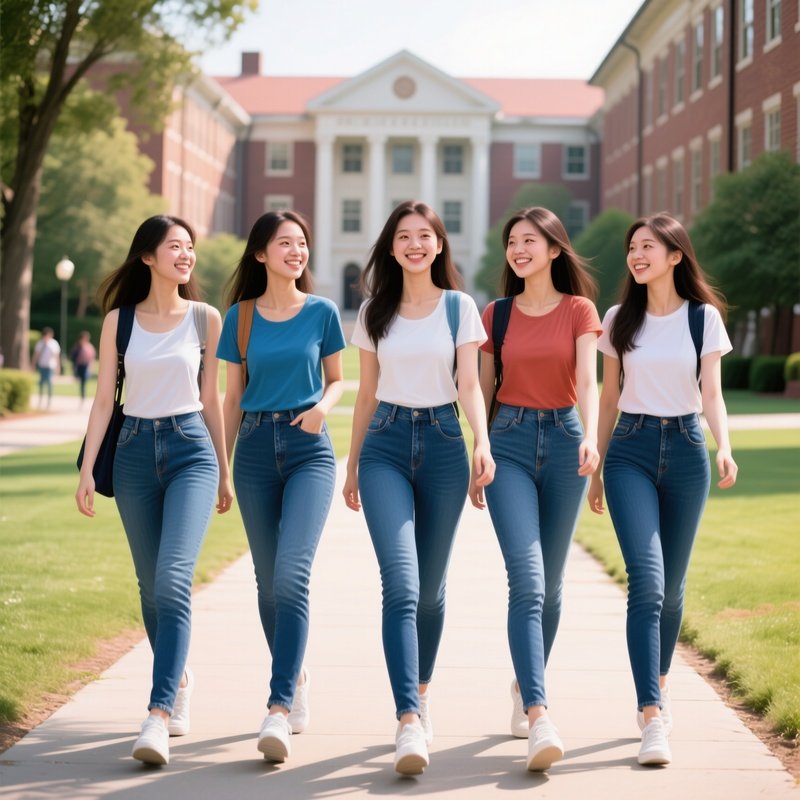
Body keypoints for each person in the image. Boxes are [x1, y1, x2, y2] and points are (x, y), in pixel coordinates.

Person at [343, 200, 495, 775]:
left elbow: (470, 385)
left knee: (430, 589)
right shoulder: (374, 312)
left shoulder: (459, 308)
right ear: (390, 247)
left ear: (439, 245)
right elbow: (364, 394)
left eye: (424, 235)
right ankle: (407, 719)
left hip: (442, 448)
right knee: (401, 583)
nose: (414, 244)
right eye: (403, 236)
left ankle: (421, 693)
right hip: (383, 443)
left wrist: (480, 441)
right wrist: (353, 464)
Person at [75, 215, 232, 766]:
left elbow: (211, 399)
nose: (186, 255)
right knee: (150, 586)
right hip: (136, 451)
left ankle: (159, 712)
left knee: (173, 578)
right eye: (175, 247)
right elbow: (102, 401)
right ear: (148, 257)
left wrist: (224, 467)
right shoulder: (120, 321)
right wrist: (88, 469)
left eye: (190, 247)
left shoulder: (206, 319)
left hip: (191, 449)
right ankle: (181, 676)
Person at [588, 213, 738, 767]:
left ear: (676, 255)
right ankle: (650, 712)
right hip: (628, 450)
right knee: (646, 582)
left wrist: (722, 445)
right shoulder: (618, 319)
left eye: (647, 246)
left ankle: (662, 682)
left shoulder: (704, 320)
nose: (636, 255)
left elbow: (713, 395)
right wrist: (599, 466)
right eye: (633, 248)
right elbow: (607, 400)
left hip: (686, 453)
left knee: (672, 590)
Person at [470, 206, 601, 772]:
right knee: (526, 578)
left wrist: (593, 438)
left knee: (550, 583)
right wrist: (480, 443)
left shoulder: (579, 309)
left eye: (530, 239)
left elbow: (590, 380)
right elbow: (479, 387)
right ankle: (540, 709)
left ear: (554, 249)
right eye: (512, 241)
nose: (519, 249)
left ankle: (526, 685)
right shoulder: (495, 315)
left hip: (567, 439)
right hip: (511, 444)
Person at [217, 210, 345, 764]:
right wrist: (221, 466)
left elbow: (340, 380)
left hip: (309, 449)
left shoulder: (323, 312)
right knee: (268, 584)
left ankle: (277, 703)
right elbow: (229, 398)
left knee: (292, 576)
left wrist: (321, 408)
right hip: (252, 453)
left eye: (302, 243)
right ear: (261, 254)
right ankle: (295, 675)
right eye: (284, 243)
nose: (296, 251)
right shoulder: (239, 318)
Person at [33, 327, 61, 408]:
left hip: (50, 366)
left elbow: (56, 356)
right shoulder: (40, 343)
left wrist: (58, 367)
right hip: (42, 365)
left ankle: (49, 401)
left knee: (49, 383)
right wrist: (33, 364)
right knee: (41, 383)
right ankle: (40, 399)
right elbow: (36, 355)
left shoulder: (54, 344)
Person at [70, 330, 97, 404]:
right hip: (79, 366)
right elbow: (74, 357)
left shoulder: (89, 346)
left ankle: (83, 397)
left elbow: (92, 357)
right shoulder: (78, 346)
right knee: (81, 382)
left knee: (83, 382)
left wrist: (91, 366)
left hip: (86, 366)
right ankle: (82, 396)